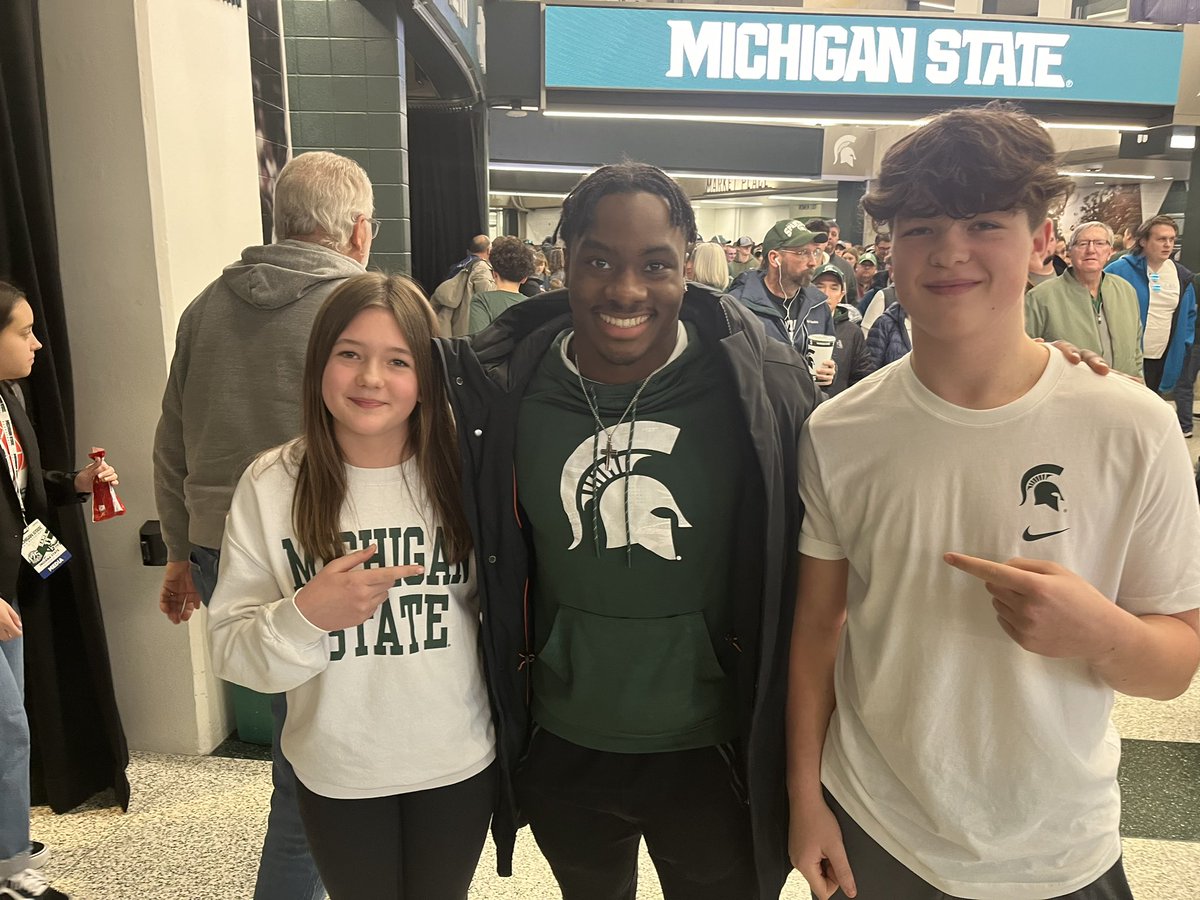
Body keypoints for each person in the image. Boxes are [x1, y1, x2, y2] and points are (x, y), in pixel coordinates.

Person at [787, 103, 1200, 900]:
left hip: (1059, 846)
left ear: (1042, 239)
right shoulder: (840, 431)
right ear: (889, 246)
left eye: (984, 223)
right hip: (880, 830)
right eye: (920, 227)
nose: (950, 252)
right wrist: (808, 800)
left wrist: (1101, 632)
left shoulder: (1131, 426)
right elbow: (817, 628)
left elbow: (1176, 665)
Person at [444, 162, 820, 899]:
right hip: (564, 737)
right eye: (598, 262)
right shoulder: (500, 390)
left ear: (688, 268)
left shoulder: (763, 384)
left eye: (655, 265)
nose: (625, 290)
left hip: (716, 746)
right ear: (562, 264)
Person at [208, 273, 495, 900]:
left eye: (398, 360)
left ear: (427, 375)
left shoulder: (465, 473)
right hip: (337, 767)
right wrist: (305, 615)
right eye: (350, 354)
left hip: (456, 761)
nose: (371, 378)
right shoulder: (273, 483)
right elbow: (230, 649)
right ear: (319, 365)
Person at [153, 150, 375, 900]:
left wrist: (183, 554)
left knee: (299, 740)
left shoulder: (205, 307)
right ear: (359, 231)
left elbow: (172, 439)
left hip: (221, 545)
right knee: (324, 759)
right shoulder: (368, 306)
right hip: (332, 554)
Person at [0, 281, 119, 900]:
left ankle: (6, 840)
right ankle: (11, 869)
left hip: (12, 587)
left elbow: (17, 488)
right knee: (9, 726)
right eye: (23, 331)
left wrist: (73, 481)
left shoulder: (9, 399)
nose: (38, 343)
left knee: (10, 723)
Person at [1106, 215, 1197, 437]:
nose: (1168, 245)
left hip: (1163, 355)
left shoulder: (1180, 275)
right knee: (1123, 412)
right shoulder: (1119, 269)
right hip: (1127, 356)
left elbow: (1189, 315)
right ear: (1144, 241)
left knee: (1150, 410)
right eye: (1161, 239)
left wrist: (1184, 344)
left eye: (1171, 239)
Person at [1025, 221, 1144, 380]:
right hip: (1068, 395)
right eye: (1082, 244)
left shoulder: (1125, 290)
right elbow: (1026, 354)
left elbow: (1136, 351)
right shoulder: (1040, 297)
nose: (1091, 250)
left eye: (1100, 243)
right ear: (1069, 252)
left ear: (1109, 252)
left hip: (1121, 393)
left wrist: (1139, 386)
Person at [728, 219, 836, 387]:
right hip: (759, 409)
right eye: (802, 253)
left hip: (807, 408)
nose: (813, 262)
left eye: (815, 252)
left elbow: (830, 357)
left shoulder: (818, 305)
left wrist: (830, 370)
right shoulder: (739, 306)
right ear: (774, 258)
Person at [811, 265, 874, 395]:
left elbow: (861, 378)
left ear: (841, 295)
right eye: (819, 286)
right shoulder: (797, 325)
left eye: (834, 288)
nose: (825, 294)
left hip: (835, 408)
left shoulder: (852, 332)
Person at [431, 237, 496, 338]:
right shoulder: (481, 267)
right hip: (468, 326)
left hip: (452, 323)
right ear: (488, 250)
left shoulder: (457, 266)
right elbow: (487, 295)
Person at [469, 236, 535, 333]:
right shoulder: (533, 305)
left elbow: (477, 341)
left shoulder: (481, 301)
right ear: (524, 279)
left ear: (494, 274)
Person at [806, 219, 858, 308]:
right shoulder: (796, 267)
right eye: (812, 239)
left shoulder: (844, 267)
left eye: (821, 239)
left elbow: (851, 299)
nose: (816, 244)